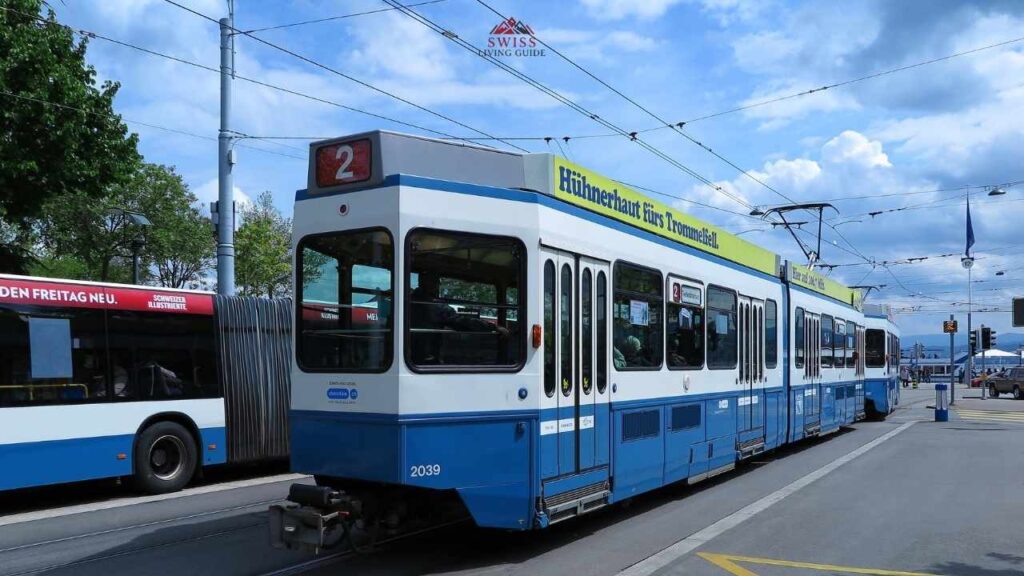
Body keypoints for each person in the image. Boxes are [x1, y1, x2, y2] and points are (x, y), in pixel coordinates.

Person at [410, 273, 508, 364]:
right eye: (436, 282)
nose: (437, 286)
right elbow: (461, 322)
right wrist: (493, 327)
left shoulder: (409, 299)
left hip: (410, 354)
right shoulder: (433, 305)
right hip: (426, 358)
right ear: (428, 283)